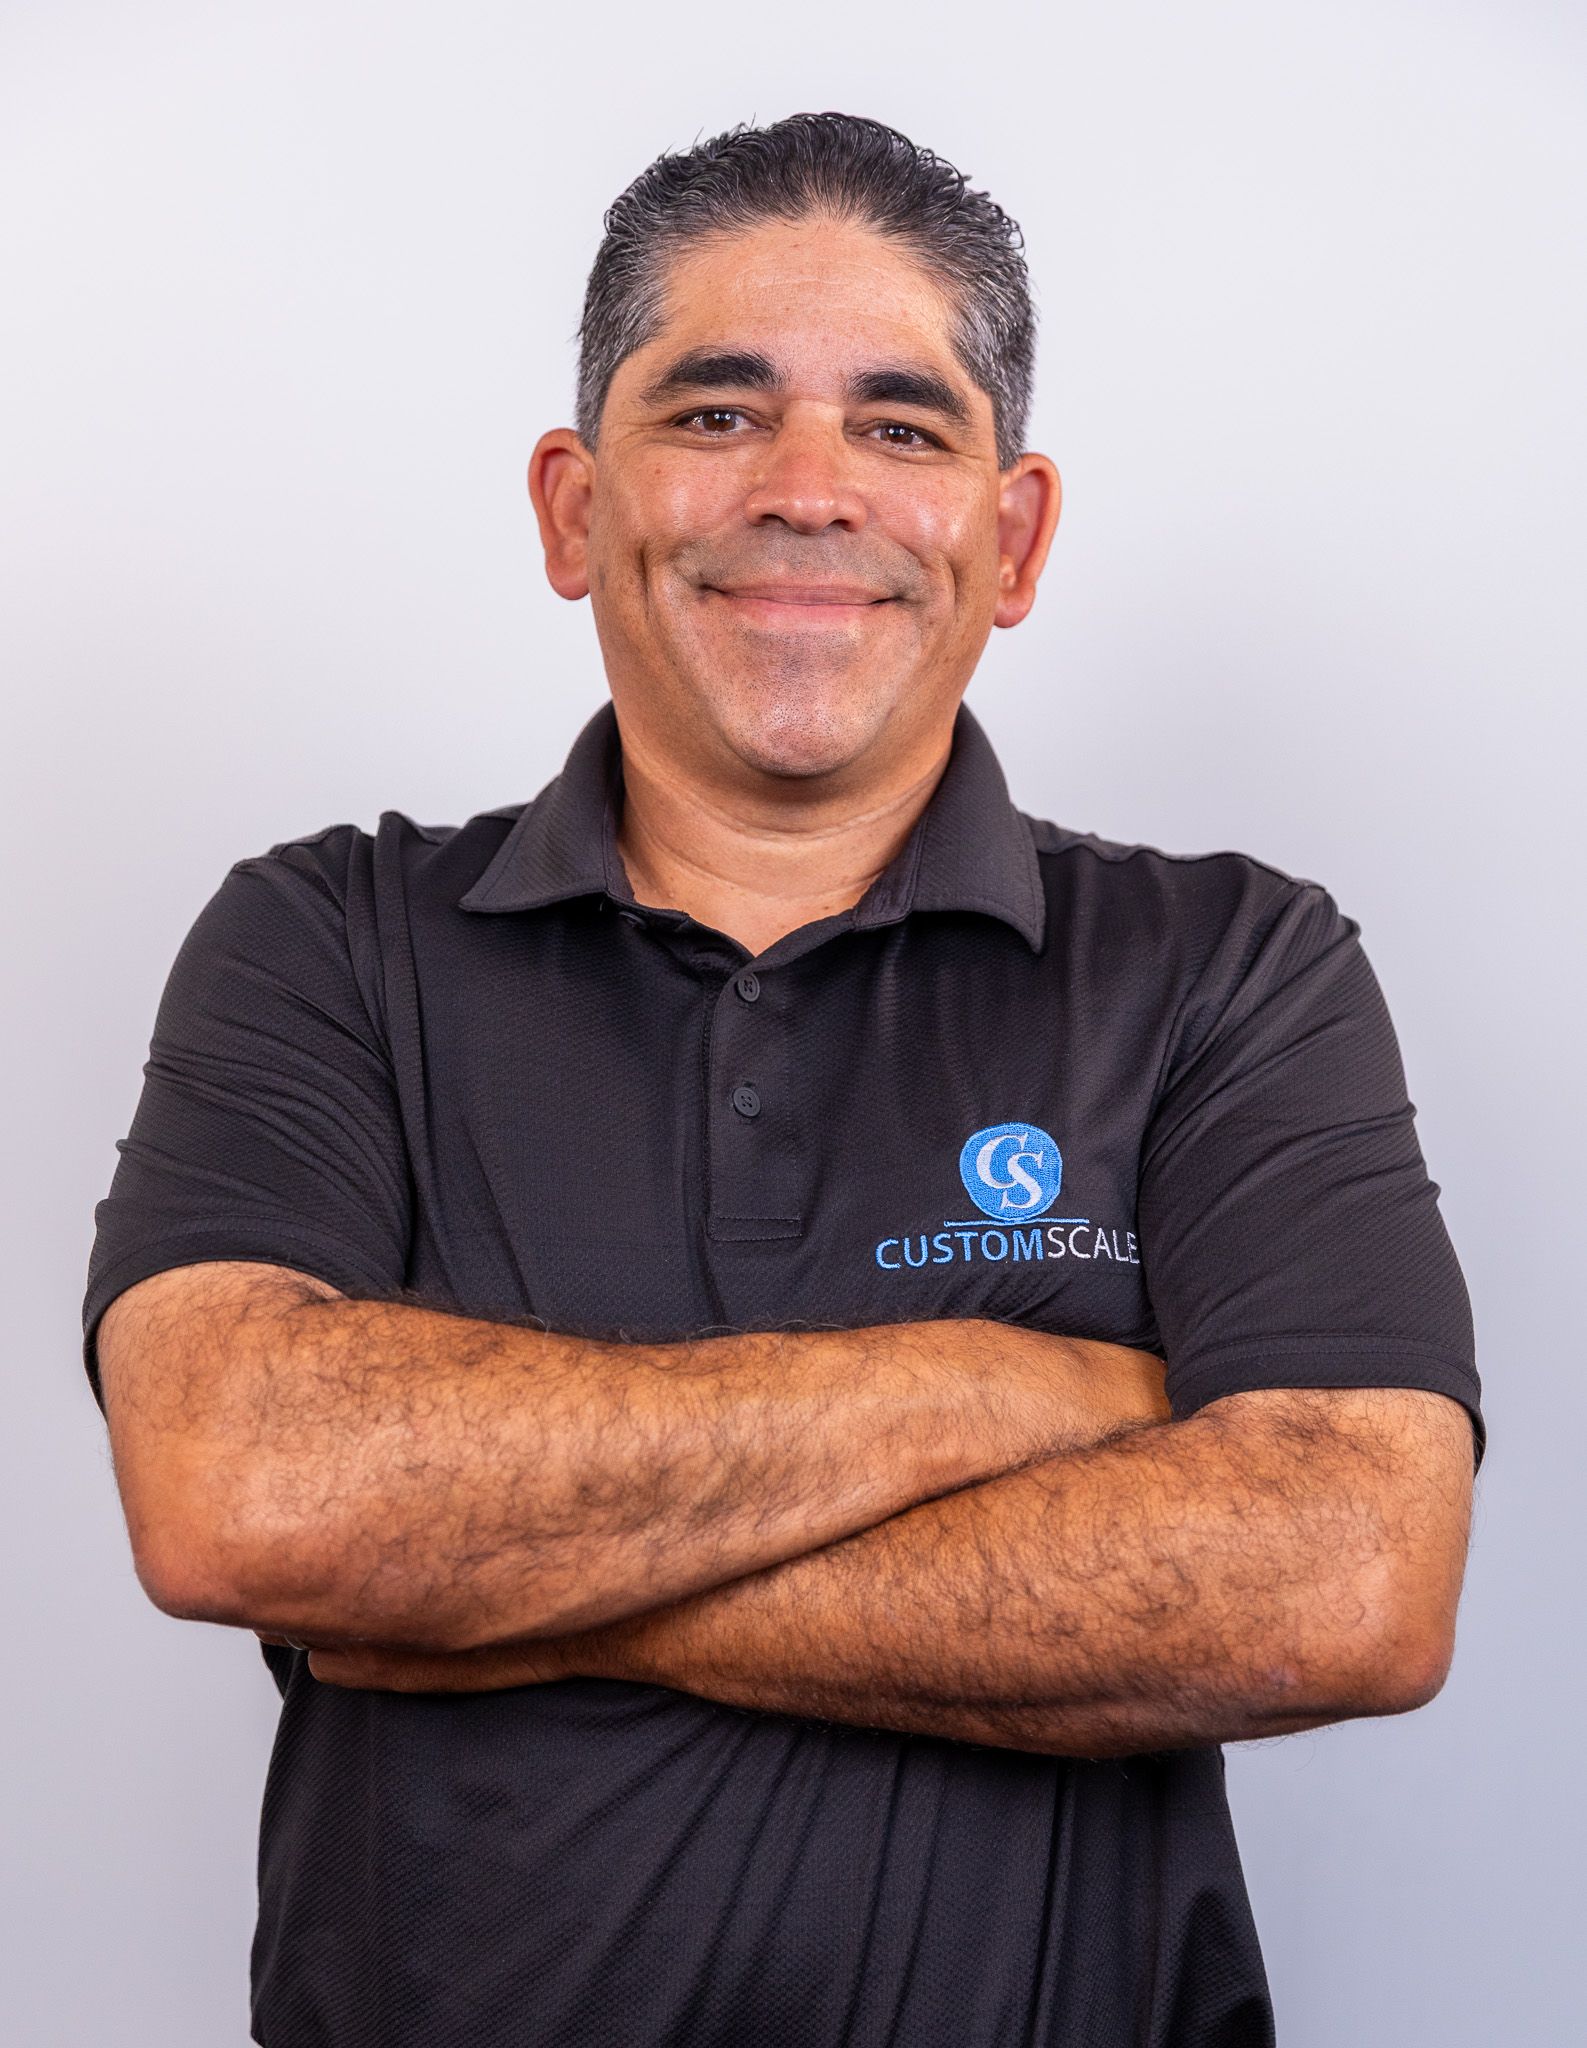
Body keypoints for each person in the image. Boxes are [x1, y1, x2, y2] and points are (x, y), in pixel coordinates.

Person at [82, 112, 1482, 2048]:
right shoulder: (331, 936)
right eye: (718, 413)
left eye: (903, 428)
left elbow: (1341, 1580)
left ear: (1009, 536)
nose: (809, 490)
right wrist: (1002, 1382)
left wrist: (480, 1582)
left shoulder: (1227, 962)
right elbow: (247, 1487)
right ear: (574, 508)